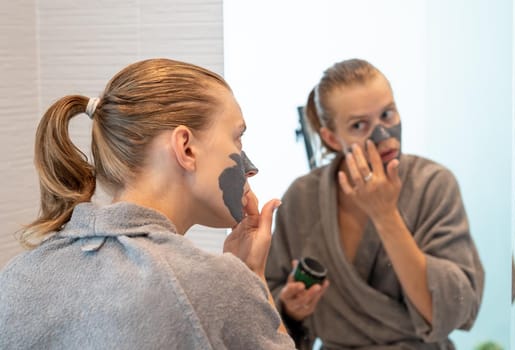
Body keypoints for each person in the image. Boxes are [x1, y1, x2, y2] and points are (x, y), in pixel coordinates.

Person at [0, 58, 296, 349]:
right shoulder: (212, 284)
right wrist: (251, 275)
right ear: (186, 148)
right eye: (237, 138)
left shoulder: (17, 276)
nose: (251, 167)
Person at [265, 58, 484, 349]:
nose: (383, 136)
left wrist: (385, 215)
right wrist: (291, 308)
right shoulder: (302, 198)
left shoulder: (433, 185)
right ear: (331, 137)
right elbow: (268, 300)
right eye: (359, 125)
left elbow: (452, 309)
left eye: (387, 115)